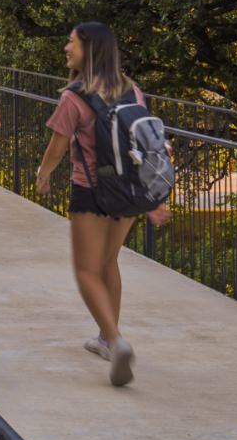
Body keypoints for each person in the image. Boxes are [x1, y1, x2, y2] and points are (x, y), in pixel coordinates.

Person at [35, 22, 169, 388]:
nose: (66, 48)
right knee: (109, 262)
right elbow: (146, 145)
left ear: (88, 50)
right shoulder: (132, 91)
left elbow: (58, 148)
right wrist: (153, 197)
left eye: (72, 43)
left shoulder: (74, 97)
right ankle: (106, 337)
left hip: (91, 190)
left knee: (86, 270)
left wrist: (43, 173)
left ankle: (116, 340)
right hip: (127, 191)